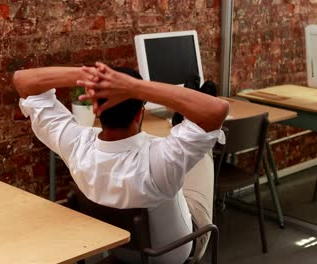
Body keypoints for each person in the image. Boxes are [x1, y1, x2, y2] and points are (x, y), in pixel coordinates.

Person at [13, 62, 229, 263]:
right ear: (139, 114)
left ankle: (188, 126)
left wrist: (90, 76)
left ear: (96, 107)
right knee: (202, 154)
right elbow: (217, 110)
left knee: (185, 151)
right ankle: (187, 123)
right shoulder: (158, 160)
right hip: (175, 253)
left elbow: (22, 80)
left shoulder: (76, 147)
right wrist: (135, 87)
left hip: (123, 248)